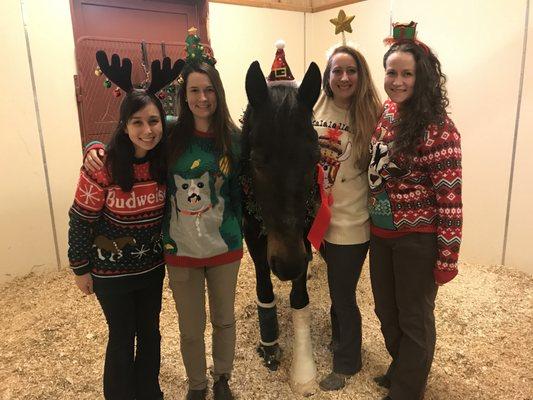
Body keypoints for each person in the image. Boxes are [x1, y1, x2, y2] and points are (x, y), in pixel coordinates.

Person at [368, 24, 462, 400]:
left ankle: (408, 389)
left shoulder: (440, 129)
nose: (398, 80)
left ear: (422, 76)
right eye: (392, 72)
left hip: (416, 240)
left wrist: (447, 257)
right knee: (386, 312)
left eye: (407, 73)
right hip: (381, 232)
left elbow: (450, 199)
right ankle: (403, 365)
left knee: (414, 317)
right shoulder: (387, 112)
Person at [68, 87, 169, 400]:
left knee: (150, 334)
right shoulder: (103, 167)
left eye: (154, 121)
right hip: (111, 274)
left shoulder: (165, 162)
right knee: (122, 337)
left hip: (151, 268)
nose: (147, 130)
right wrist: (80, 268)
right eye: (137, 122)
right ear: (124, 126)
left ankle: (150, 392)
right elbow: (80, 218)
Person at [163, 61, 242, 400]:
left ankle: (222, 377)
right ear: (185, 94)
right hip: (180, 250)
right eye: (194, 89)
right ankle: (197, 384)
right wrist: (94, 148)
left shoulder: (234, 139)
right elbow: (130, 135)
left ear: (219, 92)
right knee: (191, 329)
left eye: (209, 89)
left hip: (224, 246)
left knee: (224, 320)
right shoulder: (168, 133)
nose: (202, 97)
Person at [312, 45, 382, 391]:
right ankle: (339, 340)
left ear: (361, 74)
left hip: (353, 222)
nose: (343, 77)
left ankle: (347, 363)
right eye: (336, 71)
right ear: (328, 75)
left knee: (342, 293)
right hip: (320, 220)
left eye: (350, 70)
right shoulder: (317, 106)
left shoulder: (372, 114)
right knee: (335, 288)